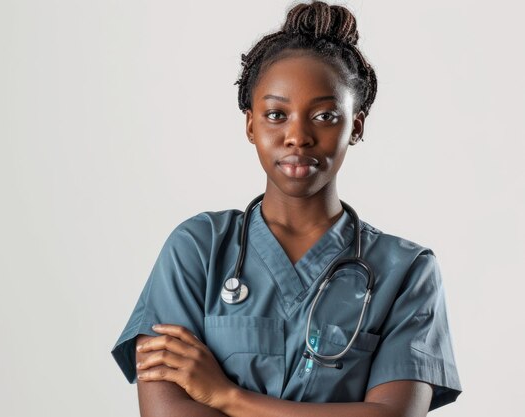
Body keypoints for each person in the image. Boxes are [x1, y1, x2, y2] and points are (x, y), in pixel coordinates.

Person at [111, 1, 462, 416]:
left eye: (326, 115)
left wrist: (227, 396)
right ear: (250, 124)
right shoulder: (198, 250)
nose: (298, 135)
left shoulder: (407, 271)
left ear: (357, 125)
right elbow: (166, 413)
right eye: (276, 114)